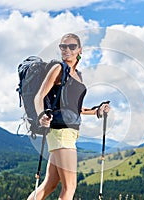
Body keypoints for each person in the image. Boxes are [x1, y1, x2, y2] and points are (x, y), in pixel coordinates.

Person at [27, 33, 110, 200]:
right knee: (70, 187)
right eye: (63, 46)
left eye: (71, 46)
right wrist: (41, 115)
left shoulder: (77, 75)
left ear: (79, 49)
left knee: (49, 185)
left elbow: (74, 108)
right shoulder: (58, 68)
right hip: (61, 132)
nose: (67, 50)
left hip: (69, 133)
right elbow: (39, 96)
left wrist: (97, 111)